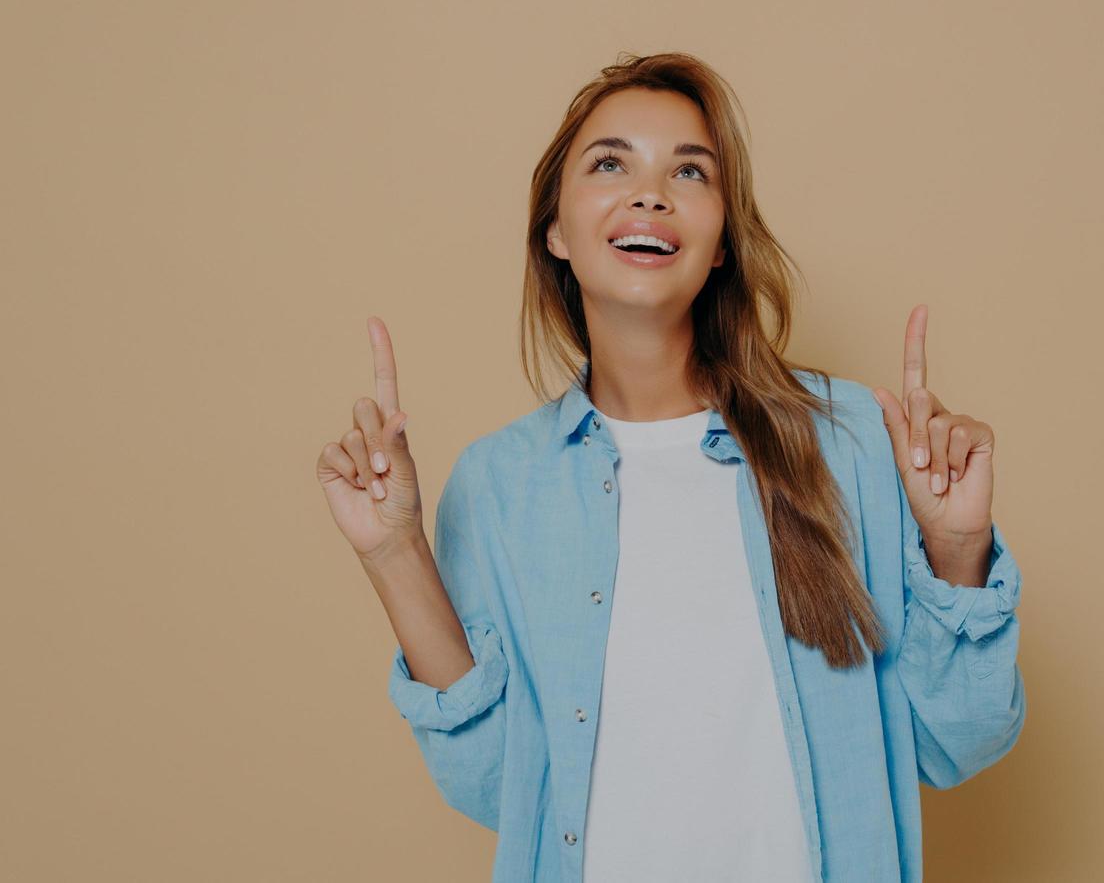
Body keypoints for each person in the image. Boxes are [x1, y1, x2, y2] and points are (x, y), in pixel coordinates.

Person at [315, 52, 1025, 882]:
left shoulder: (855, 443)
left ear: (722, 240)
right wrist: (393, 553)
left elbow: (957, 743)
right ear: (554, 228)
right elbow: (500, 787)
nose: (649, 192)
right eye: (610, 163)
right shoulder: (499, 486)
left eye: (690, 171)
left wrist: (956, 549)